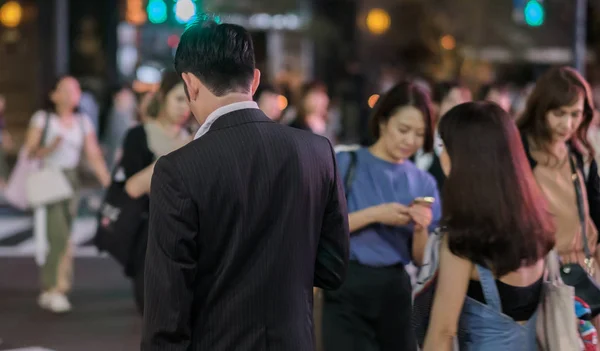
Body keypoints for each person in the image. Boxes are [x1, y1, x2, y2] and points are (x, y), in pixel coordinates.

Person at [141, 18, 350, 351]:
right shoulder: (317, 151)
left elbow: (168, 303)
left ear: (190, 84)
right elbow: (333, 268)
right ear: (254, 80)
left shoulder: (178, 169)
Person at [423, 102, 555, 350]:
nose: (441, 154)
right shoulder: (536, 225)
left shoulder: (464, 241)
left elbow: (442, 332)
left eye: (444, 145)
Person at [322, 81, 441, 351]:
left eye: (420, 134)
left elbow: (422, 258)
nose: (410, 141)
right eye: (404, 130)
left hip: (396, 289)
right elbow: (324, 230)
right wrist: (376, 214)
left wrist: (421, 228)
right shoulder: (346, 163)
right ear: (384, 121)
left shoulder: (423, 183)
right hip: (347, 284)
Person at [518, 66, 600, 332]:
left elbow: (595, 215)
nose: (568, 124)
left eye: (575, 114)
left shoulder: (580, 154)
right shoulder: (519, 153)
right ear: (541, 110)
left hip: (588, 274)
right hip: (544, 279)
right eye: (559, 114)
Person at [24, 76, 110, 313]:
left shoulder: (83, 122)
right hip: (50, 178)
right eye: (68, 89)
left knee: (64, 236)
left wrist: (108, 182)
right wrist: (50, 147)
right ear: (54, 95)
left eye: (77, 89)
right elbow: (30, 151)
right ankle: (56, 288)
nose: (75, 93)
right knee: (58, 235)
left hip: (71, 181)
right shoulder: (43, 119)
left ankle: (50, 287)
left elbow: (93, 155)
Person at [119, 71, 191, 313]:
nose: (185, 108)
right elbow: (132, 187)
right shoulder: (139, 136)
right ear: (162, 98)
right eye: (179, 99)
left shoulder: (192, 137)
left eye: (189, 100)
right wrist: (176, 155)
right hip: (148, 233)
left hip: (186, 234)